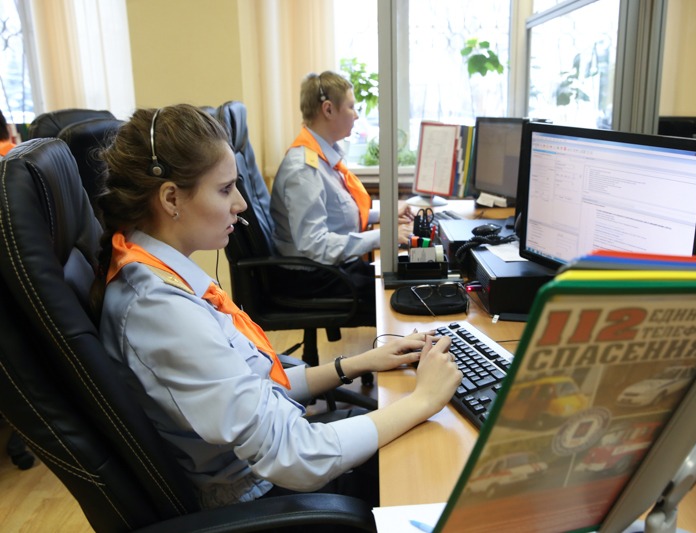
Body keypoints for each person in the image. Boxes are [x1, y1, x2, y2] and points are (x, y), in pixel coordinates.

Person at [91, 104, 462, 510]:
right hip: (260, 494)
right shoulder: (161, 311)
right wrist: (423, 400)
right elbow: (297, 456)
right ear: (171, 198)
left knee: (418, 438)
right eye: (224, 189)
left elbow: (258, 385)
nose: (241, 204)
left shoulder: (162, 278)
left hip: (268, 470)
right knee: (436, 464)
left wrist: (358, 363)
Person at [270, 71, 414, 320]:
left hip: (328, 268)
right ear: (328, 109)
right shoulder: (303, 169)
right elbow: (315, 245)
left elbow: (339, 212)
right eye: (351, 107)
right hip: (312, 277)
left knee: (405, 275)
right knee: (401, 293)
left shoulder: (323, 156)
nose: (356, 115)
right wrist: (382, 237)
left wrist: (385, 216)